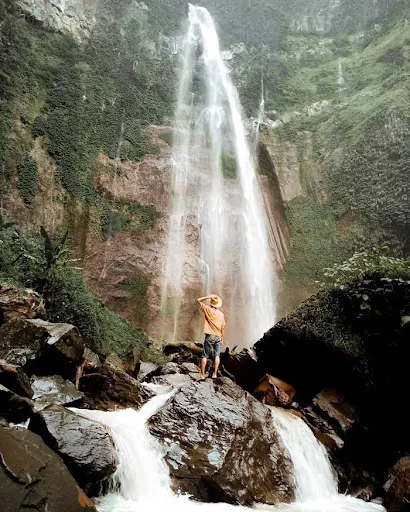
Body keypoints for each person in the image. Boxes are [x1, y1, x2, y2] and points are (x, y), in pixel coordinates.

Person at [197, 294, 226, 381]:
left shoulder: (207, 309)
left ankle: (202, 375)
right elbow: (223, 327)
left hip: (210, 335)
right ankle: (214, 374)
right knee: (217, 355)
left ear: (211, 303)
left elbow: (198, 300)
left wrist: (208, 297)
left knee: (205, 355)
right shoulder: (221, 314)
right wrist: (222, 339)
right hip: (218, 336)